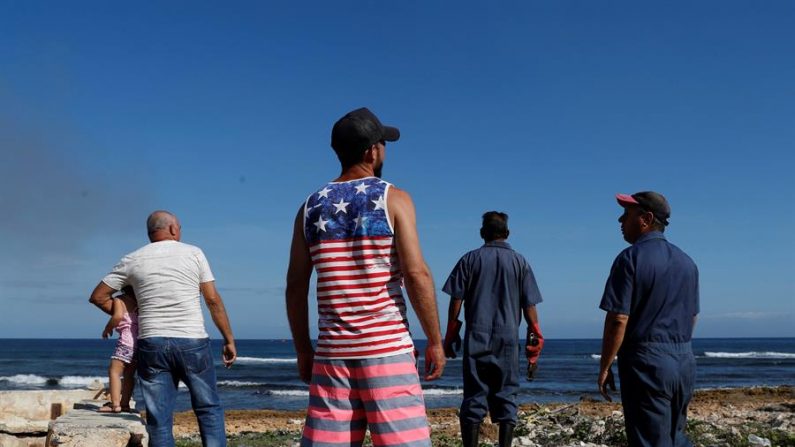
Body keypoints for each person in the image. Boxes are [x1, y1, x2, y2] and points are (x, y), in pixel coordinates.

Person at [286, 107, 446, 447]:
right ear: (372, 150)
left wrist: (303, 349)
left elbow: (296, 286)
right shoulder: (394, 198)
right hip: (386, 349)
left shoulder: (309, 206)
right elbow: (417, 273)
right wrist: (435, 340)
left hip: (332, 354)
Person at [89, 210, 237, 447]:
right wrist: (228, 339)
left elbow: (98, 296)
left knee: (159, 417)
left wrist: (125, 314)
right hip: (192, 340)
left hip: (152, 342)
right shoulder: (193, 253)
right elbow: (212, 300)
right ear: (172, 229)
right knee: (208, 408)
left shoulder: (132, 259)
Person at [598, 191, 699, 447]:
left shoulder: (629, 259)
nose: (620, 221)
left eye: (627, 214)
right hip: (683, 359)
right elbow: (693, 316)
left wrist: (606, 365)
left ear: (646, 218)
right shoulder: (687, 262)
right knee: (676, 436)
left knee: (649, 440)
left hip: (647, 361)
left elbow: (618, 319)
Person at [441, 211, 544, 447]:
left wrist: (451, 331)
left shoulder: (469, 260)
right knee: (507, 394)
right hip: (507, 338)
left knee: (474, 395)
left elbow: (456, 299)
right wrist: (535, 334)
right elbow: (529, 304)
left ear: (481, 233)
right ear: (507, 234)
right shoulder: (520, 262)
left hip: (476, 334)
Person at [99, 286, 138, 413]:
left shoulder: (120, 299)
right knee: (129, 375)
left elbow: (117, 316)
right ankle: (125, 404)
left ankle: (115, 405)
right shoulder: (141, 300)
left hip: (126, 342)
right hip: (139, 343)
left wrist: (107, 328)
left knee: (114, 371)